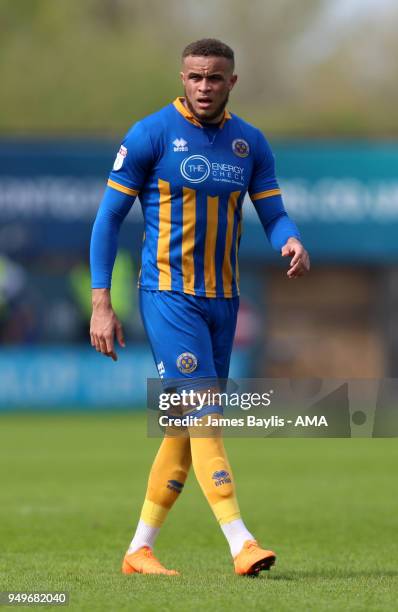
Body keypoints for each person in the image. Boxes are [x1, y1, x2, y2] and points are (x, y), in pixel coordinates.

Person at [89, 38, 310, 577]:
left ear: (232, 81)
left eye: (214, 78)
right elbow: (107, 220)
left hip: (224, 300)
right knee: (205, 415)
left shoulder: (249, 143)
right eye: (194, 77)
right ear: (182, 78)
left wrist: (292, 238)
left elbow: (274, 213)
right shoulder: (151, 134)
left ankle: (139, 550)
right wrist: (102, 301)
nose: (204, 87)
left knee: (183, 429)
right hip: (168, 296)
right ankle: (242, 542)